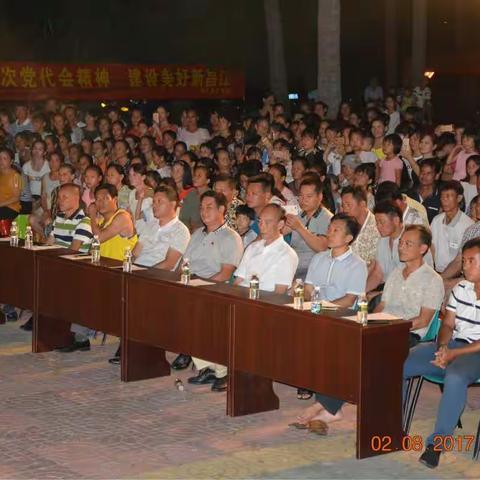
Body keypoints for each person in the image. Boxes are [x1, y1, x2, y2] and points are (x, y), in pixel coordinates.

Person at [404, 238, 480, 469]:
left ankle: (437, 444)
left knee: (455, 377)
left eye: (471, 261)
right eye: (464, 260)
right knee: (400, 361)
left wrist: (453, 355)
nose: (465, 266)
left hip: (475, 352)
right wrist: (443, 347)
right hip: (454, 345)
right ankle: (392, 427)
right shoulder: (461, 288)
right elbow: (447, 324)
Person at [293, 214, 367, 431]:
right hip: (316, 314)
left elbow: (349, 300)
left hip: (344, 320)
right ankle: (331, 409)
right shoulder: (320, 258)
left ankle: (320, 406)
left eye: (336, 230)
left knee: (330, 349)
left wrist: (320, 309)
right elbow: (308, 289)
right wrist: (309, 304)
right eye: (330, 228)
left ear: (349, 238)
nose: (330, 232)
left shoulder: (357, 265)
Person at [173, 192, 243, 388]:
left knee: (200, 313)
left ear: (222, 210)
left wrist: (200, 287)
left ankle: (221, 372)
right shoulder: (196, 234)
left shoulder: (230, 237)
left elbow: (225, 273)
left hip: (215, 289)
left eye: (209, 207)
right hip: (192, 285)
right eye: (202, 208)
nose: (204, 212)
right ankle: (208, 368)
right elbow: (183, 265)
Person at [375, 225, 444, 348]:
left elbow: (423, 321)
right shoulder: (396, 272)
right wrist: (371, 323)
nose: (401, 247)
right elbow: (382, 305)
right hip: (384, 328)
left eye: (408, 244)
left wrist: (392, 326)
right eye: (400, 242)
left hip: (409, 333)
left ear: (422, 248)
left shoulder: (433, 279)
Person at [44, 183, 93, 340]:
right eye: (59, 197)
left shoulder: (83, 221)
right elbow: (48, 244)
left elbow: (73, 251)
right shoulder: (59, 217)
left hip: (77, 268)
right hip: (60, 264)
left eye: (64, 197)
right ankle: (49, 325)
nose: (60, 200)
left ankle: (78, 336)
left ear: (76, 198)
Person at [234, 204, 298, 294]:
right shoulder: (252, 248)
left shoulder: (287, 254)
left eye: (267, 222)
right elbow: (238, 281)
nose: (261, 226)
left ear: (280, 224)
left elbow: (279, 294)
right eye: (260, 221)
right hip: (241, 298)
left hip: (263, 302)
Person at [133, 185, 190, 269]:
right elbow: (135, 253)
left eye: (159, 201)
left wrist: (145, 273)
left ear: (172, 204)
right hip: (136, 271)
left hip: (155, 276)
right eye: (154, 202)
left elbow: (169, 264)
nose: (154, 205)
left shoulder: (181, 231)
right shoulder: (151, 225)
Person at [285, 176, 331, 278]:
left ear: (320, 197)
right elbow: (281, 231)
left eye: (309, 196)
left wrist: (299, 228)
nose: (303, 200)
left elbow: (321, 247)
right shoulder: (300, 215)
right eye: (301, 196)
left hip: (312, 270)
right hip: (293, 266)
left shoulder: (327, 218)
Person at [431, 181, 473, 273]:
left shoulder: (468, 225)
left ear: (459, 198)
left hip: (456, 274)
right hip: (436, 271)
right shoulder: (436, 220)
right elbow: (432, 247)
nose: (444, 200)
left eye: (448, 196)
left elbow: (461, 259)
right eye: (442, 196)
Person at [88, 184, 137, 261]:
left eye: (105, 198)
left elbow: (98, 238)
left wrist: (92, 215)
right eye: (97, 199)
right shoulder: (101, 220)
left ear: (115, 200)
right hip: (102, 266)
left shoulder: (123, 217)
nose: (101, 202)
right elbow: (92, 248)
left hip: (118, 268)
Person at [340, 186, 380, 265]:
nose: (344, 209)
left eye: (348, 205)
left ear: (362, 204)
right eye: (343, 205)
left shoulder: (377, 227)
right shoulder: (343, 223)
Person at [408, 158, 442, 223]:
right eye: (422, 172)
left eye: (428, 173)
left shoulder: (440, 197)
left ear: (436, 176)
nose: (424, 176)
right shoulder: (410, 194)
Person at [179, 165, 212, 232]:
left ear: (207, 181)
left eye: (199, 176)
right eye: (194, 175)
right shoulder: (191, 194)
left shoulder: (211, 196)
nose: (195, 178)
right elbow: (183, 215)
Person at [0, 147, 21, 220]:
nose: (1, 161)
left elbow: (16, 198)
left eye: (4, 158)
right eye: (0, 158)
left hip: (11, 208)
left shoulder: (15, 176)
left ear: (11, 161)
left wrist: (0, 204)